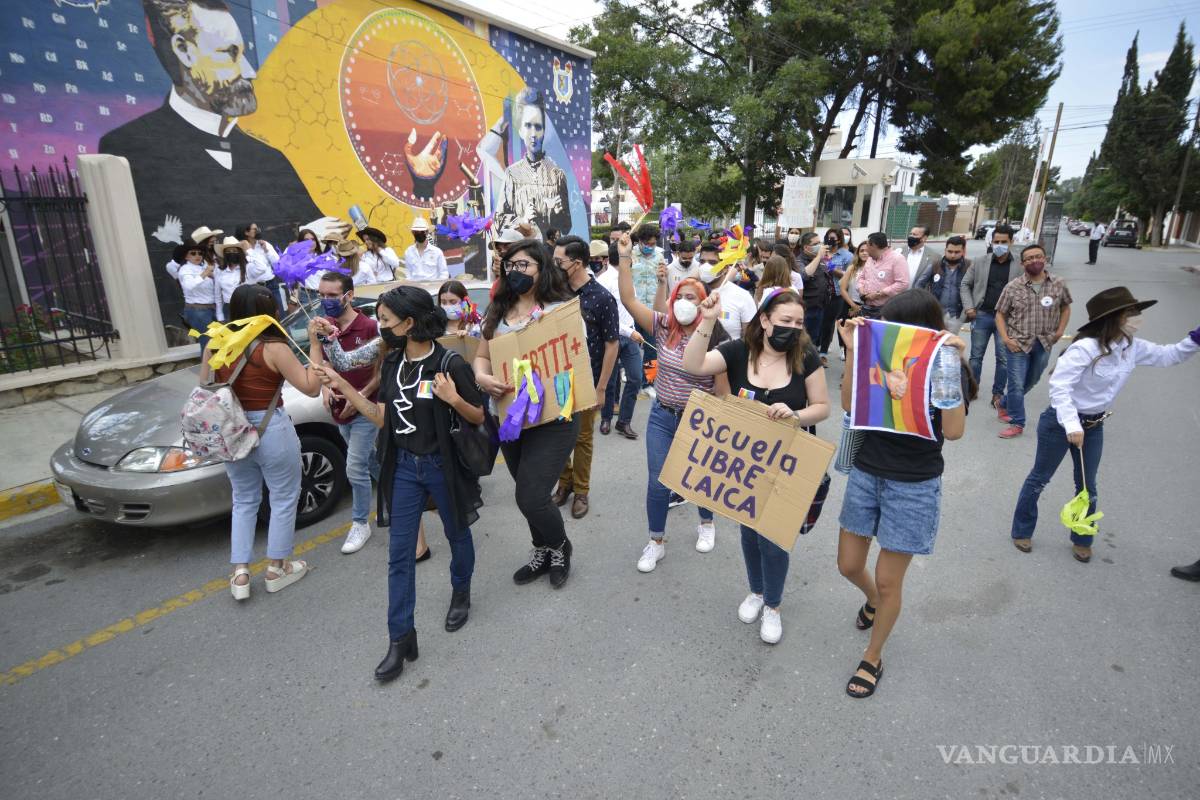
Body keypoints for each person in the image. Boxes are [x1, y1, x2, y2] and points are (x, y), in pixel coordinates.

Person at [99, 0, 322, 326]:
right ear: (184, 51)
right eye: (230, 53)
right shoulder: (129, 148)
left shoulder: (270, 159)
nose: (249, 71)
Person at [315, 286, 484, 681]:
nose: (382, 327)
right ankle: (400, 638)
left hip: (443, 465)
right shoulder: (391, 366)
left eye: (387, 321)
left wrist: (451, 398)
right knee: (398, 555)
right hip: (404, 467)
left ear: (409, 324)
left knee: (457, 533)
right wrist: (343, 386)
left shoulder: (449, 363)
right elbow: (382, 418)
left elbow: (477, 416)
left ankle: (461, 591)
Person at [835, 289, 976, 698]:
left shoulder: (947, 366)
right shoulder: (877, 358)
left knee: (889, 580)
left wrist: (948, 362)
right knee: (848, 565)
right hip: (866, 474)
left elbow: (954, 431)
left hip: (913, 486)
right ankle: (875, 601)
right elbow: (850, 406)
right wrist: (853, 353)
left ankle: (873, 656)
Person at [682, 287, 831, 644]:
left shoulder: (806, 356)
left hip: (788, 464)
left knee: (775, 539)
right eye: (784, 321)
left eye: (798, 322)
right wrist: (707, 320)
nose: (792, 328)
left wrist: (795, 414)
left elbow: (822, 406)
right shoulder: (736, 352)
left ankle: (774, 606)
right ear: (764, 321)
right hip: (746, 465)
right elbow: (693, 365)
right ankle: (757, 591)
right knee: (749, 533)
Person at [1008, 287, 1197, 562]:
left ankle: (1082, 536)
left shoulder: (1130, 346)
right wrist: (1072, 425)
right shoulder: (1085, 348)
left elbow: (1169, 356)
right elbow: (1060, 387)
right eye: (1131, 313)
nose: (1137, 318)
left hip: (1094, 424)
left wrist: (1194, 339)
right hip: (1061, 423)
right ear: (1113, 318)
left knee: (1087, 485)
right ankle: (1021, 530)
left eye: (1136, 312)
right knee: (1039, 479)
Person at [613, 231, 730, 567]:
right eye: (683, 295)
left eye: (695, 297)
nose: (687, 302)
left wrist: (720, 425)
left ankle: (706, 523)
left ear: (705, 302)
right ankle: (656, 541)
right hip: (662, 416)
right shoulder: (663, 325)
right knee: (657, 480)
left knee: (700, 476)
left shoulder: (715, 338)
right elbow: (628, 300)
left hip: (699, 418)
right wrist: (624, 257)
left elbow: (722, 391)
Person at [202, 284, 324, 601]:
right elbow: (311, 388)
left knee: (243, 499)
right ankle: (276, 569)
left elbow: (206, 387)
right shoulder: (273, 347)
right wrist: (314, 344)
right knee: (283, 498)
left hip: (231, 430)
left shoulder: (215, 344)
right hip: (271, 427)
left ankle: (240, 573)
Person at [473, 239, 579, 588]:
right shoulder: (498, 310)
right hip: (511, 417)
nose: (514, 271)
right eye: (509, 265)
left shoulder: (561, 309)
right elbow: (482, 356)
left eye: (523, 265)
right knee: (528, 492)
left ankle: (561, 545)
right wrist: (481, 376)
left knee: (531, 496)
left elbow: (576, 361)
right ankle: (543, 549)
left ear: (541, 268)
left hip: (553, 417)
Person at [304, 271, 381, 555]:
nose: (326, 300)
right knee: (370, 460)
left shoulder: (370, 326)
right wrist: (325, 389)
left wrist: (359, 396)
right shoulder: (325, 327)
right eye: (322, 295)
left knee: (355, 467)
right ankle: (396, 493)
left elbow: (380, 371)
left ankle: (361, 522)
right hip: (339, 410)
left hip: (366, 408)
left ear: (348, 295)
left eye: (333, 295)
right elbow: (321, 364)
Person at [551, 236, 619, 520]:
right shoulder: (554, 293)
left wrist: (601, 387)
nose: (554, 265)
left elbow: (611, 344)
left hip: (587, 380)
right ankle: (564, 482)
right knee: (555, 436)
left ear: (577, 263)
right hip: (556, 379)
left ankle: (581, 490)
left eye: (559, 261)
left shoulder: (602, 298)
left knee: (582, 438)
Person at [994, 244, 1072, 439]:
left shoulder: (1058, 283)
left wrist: (1060, 331)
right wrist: (1005, 339)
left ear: (1045, 259)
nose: (1034, 261)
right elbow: (1000, 315)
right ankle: (1017, 422)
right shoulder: (1013, 287)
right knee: (1016, 384)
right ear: (1022, 263)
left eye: (1038, 257)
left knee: (1033, 379)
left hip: (1045, 342)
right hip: (1018, 343)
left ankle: (1003, 403)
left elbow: (1065, 308)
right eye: (1029, 258)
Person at [961, 223, 1021, 415]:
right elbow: (965, 284)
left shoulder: (1019, 265)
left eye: (1004, 242)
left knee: (1003, 359)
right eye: (996, 242)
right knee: (976, 356)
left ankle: (997, 394)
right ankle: (973, 388)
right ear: (992, 242)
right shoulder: (980, 262)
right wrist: (969, 307)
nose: (1000, 245)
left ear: (1011, 242)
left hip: (1007, 319)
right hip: (982, 315)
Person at [496, 89, 572, 235]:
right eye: (528, 125)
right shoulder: (512, 174)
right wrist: (522, 221)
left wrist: (558, 212)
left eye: (538, 127)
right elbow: (498, 220)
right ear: (520, 130)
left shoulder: (557, 175)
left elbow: (566, 227)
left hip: (548, 255)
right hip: (523, 252)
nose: (533, 134)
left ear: (544, 130)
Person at [593, 240, 643, 439]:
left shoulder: (627, 276)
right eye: (629, 254)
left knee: (635, 377)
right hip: (611, 337)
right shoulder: (603, 281)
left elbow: (632, 305)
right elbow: (605, 317)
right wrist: (628, 332)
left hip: (630, 336)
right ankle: (606, 418)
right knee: (610, 380)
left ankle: (624, 421)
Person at [695, 243, 758, 341]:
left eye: (712, 262)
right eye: (702, 262)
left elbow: (750, 339)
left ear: (725, 268)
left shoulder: (742, 296)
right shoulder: (691, 293)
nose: (705, 266)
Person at [914, 235, 971, 333]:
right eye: (950, 251)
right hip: (936, 313)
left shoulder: (969, 266)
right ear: (945, 250)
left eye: (957, 252)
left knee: (950, 344)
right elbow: (919, 284)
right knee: (934, 341)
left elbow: (977, 288)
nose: (953, 255)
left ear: (963, 252)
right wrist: (925, 302)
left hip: (957, 315)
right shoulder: (936, 265)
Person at [818, 228, 854, 359]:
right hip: (819, 293)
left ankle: (823, 352)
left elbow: (849, 276)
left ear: (839, 240)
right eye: (828, 237)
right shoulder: (821, 252)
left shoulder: (847, 256)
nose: (830, 240)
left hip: (836, 295)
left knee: (828, 323)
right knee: (818, 321)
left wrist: (831, 266)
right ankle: (815, 346)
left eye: (833, 238)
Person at [178, 242, 218, 355]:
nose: (197, 256)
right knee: (207, 342)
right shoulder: (185, 269)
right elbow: (189, 286)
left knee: (217, 341)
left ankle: (218, 371)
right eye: (193, 253)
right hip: (197, 310)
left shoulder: (204, 267)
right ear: (186, 256)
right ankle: (208, 371)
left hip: (213, 308)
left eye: (200, 253)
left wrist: (213, 275)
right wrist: (205, 273)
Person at [856, 232, 909, 318]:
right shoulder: (870, 259)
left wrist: (879, 294)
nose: (866, 249)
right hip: (866, 307)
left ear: (874, 246)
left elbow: (903, 283)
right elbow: (861, 277)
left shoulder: (897, 259)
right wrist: (861, 289)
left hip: (885, 309)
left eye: (867, 246)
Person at [237, 223, 284, 311]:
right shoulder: (240, 248)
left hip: (271, 285)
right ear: (246, 233)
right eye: (254, 229)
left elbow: (277, 263)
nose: (258, 230)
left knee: (278, 312)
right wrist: (248, 250)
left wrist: (266, 250)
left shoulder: (264, 244)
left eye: (258, 228)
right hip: (254, 288)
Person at [797, 233, 833, 346]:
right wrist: (818, 257)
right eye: (816, 244)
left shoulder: (820, 259)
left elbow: (828, 271)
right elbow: (804, 275)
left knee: (813, 339)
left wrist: (827, 259)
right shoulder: (799, 261)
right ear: (806, 247)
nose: (820, 245)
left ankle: (811, 361)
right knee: (802, 340)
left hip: (820, 306)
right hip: (807, 308)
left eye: (820, 242)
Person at [213, 237, 249, 320]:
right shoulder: (219, 270)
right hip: (228, 308)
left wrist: (249, 250)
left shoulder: (248, 267)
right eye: (228, 251)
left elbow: (261, 268)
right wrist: (220, 315)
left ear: (239, 252)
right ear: (225, 254)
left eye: (234, 251)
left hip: (246, 307)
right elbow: (218, 296)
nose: (231, 253)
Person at [402, 218, 448, 282]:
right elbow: (408, 273)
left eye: (422, 231)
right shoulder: (408, 252)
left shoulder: (437, 252)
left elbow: (444, 273)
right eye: (417, 232)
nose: (419, 234)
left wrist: (437, 287)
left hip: (432, 289)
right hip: (415, 289)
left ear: (427, 232)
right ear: (413, 233)